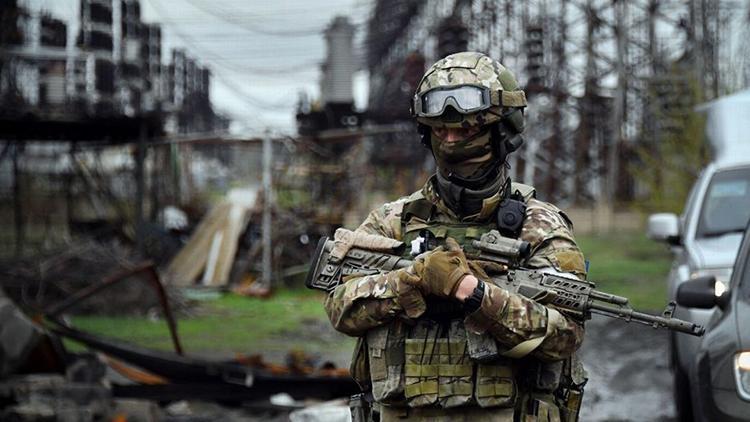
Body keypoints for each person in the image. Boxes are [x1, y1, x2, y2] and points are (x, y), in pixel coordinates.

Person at [324, 51, 588, 421]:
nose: (451, 140)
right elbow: (340, 308)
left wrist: (473, 292)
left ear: (501, 130)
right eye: (441, 130)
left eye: (466, 130)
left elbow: (566, 333)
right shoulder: (393, 221)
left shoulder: (540, 225)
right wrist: (409, 282)